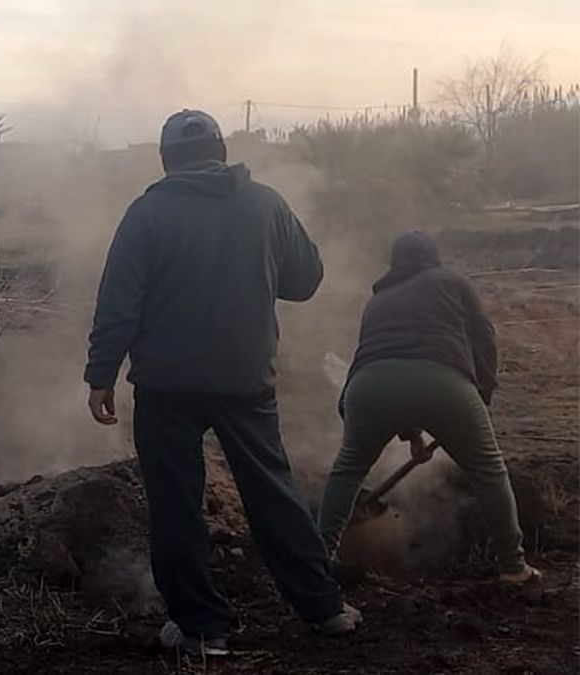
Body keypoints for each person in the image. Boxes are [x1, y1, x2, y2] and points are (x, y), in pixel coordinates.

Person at [84, 109, 360, 656]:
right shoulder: (267, 204)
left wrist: (100, 375)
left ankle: (202, 629)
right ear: (222, 151)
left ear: (167, 161)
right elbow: (305, 280)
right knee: (273, 494)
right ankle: (325, 609)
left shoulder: (147, 214)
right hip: (245, 379)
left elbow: (119, 303)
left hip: (166, 388)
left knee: (174, 504)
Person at [317, 231, 540, 584]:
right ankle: (513, 567)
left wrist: (413, 437)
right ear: (432, 258)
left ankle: (317, 565)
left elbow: (394, 370)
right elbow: (483, 336)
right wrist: (483, 390)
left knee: (347, 470)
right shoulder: (450, 281)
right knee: (488, 469)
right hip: (442, 380)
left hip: (366, 387)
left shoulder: (378, 298)